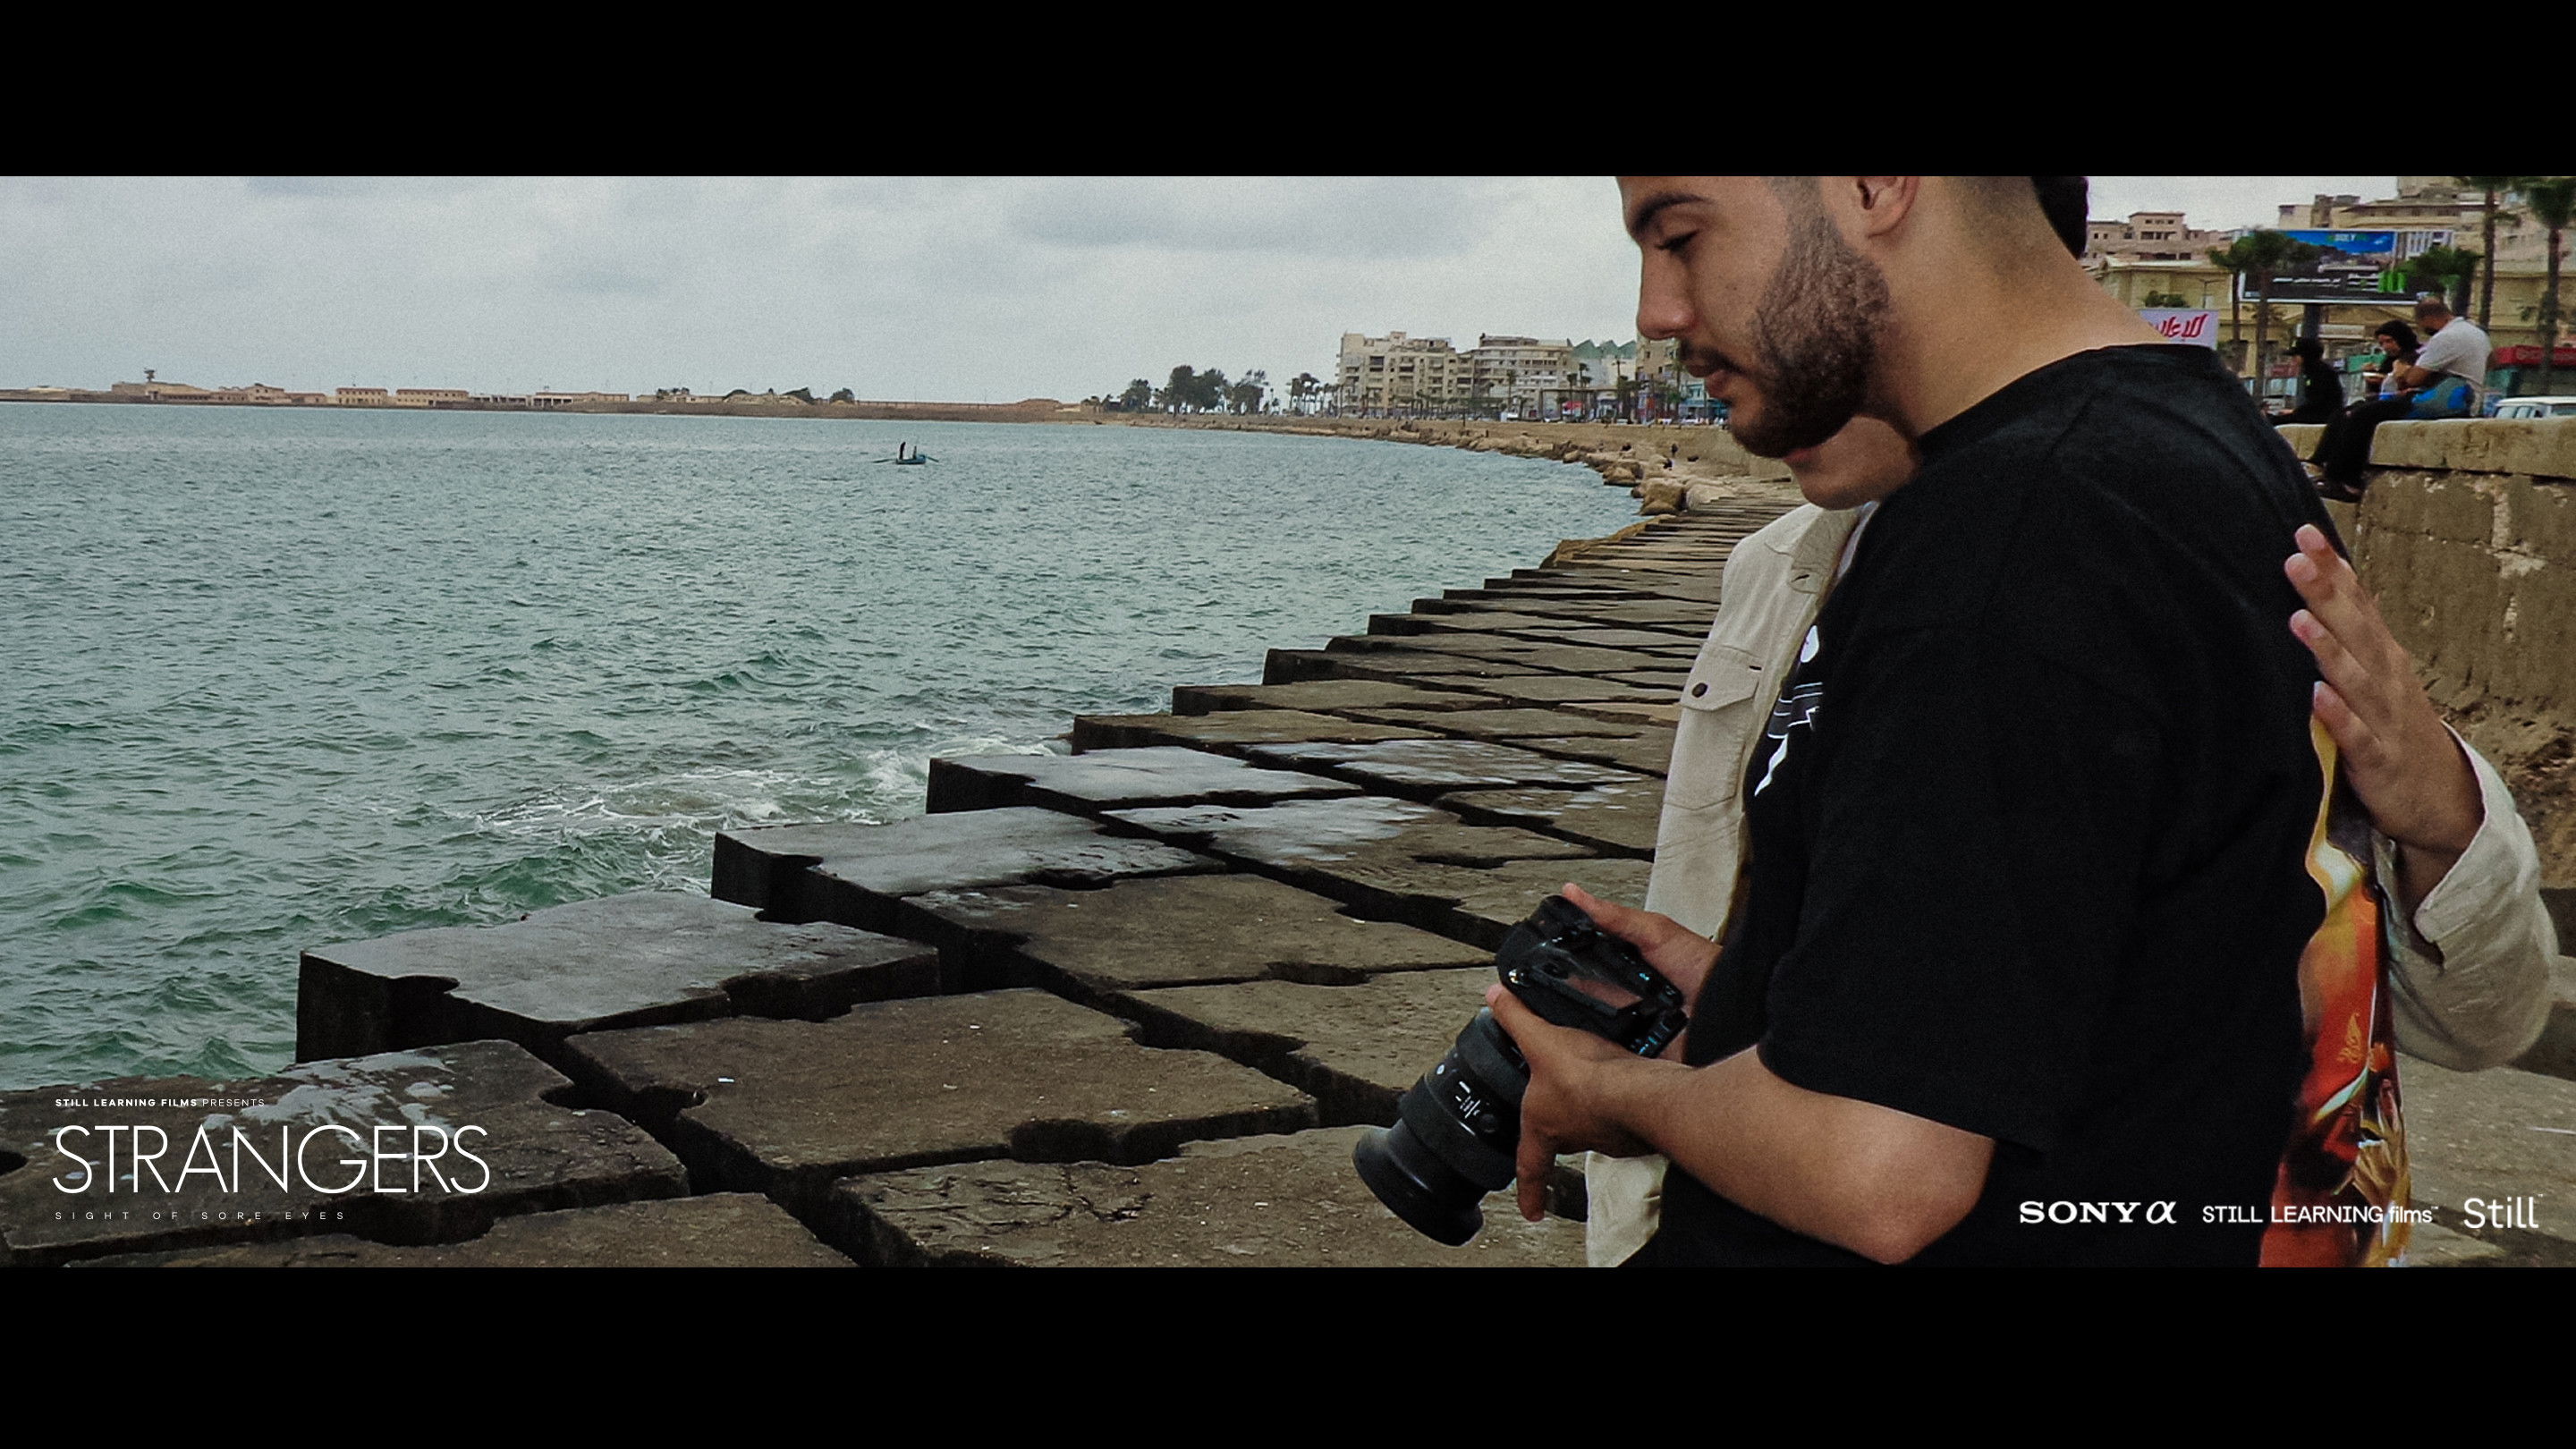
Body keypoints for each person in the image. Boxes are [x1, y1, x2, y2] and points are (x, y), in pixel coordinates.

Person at [1485, 176, 2454, 1267]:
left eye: (1679, 235)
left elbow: (1878, 1173)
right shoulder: (2188, 447)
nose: (1657, 311)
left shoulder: (2006, 538)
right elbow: (2122, 976)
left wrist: (1616, 1092)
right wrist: (1766, 986)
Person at [1577, 417, 2561, 1267]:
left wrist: (2442, 819)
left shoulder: (2160, 552)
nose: (1678, 323)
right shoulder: (1779, 566)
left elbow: (2480, 1020)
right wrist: (1737, 989)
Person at [2309, 298, 2489, 499]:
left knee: (2362, 415)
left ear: (2427, 319)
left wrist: (2401, 372)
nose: (2424, 330)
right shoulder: (2477, 333)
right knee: (2356, 411)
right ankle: (2328, 472)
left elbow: (2413, 379)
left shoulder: (2445, 338)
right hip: (2467, 399)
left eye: (2422, 325)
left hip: (2443, 403)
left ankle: (2348, 483)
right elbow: (2493, 361)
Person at [2279, 337, 2344, 426]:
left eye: (2296, 356)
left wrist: (2296, 412)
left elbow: (2317, 403)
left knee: (2275, 421)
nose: (2293, 359)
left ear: (2306, 356)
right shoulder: (2314, 372)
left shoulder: (2321, 373)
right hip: (2319, 416)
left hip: (2323, 418)